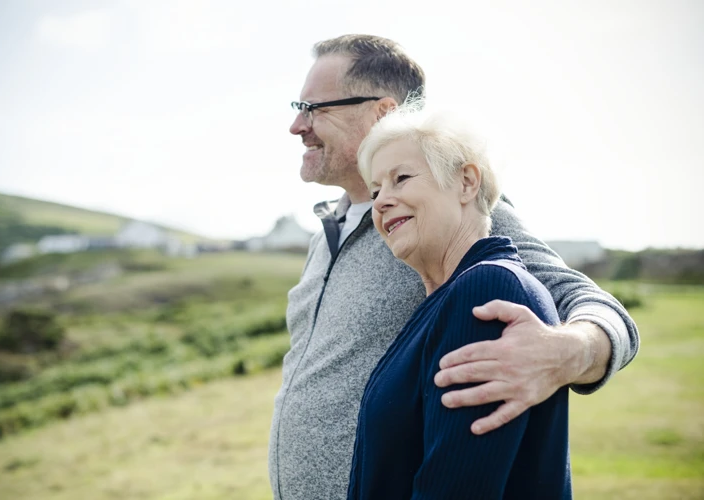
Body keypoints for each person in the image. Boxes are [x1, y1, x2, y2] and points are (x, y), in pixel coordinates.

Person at [269, 34, 639, 500]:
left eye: (313, 107)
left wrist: (570, 352)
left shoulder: (450, 208)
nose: (296, 125)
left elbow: (588, 302)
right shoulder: (327, 231)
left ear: (383, 112)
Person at [347, 101, 570, 499]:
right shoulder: (444, 302)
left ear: (467, 182)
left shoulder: (486, 289)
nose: (380, 202)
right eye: (376, 189)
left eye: (401, 178)